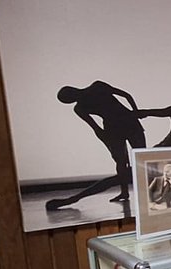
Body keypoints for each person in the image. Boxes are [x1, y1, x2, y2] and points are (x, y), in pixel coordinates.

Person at [46, 81, 146, 210]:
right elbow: (97, 129)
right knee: (121, 161)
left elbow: (125, 95)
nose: (72, 100)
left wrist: (135, 112)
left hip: (129, 123)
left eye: (69, 99)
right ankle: (125, 192)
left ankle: (136, 191)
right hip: (115, 129)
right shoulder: (81, 107)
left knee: (141, 158)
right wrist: (109, 143)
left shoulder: (97, 87)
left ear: (73, 91)